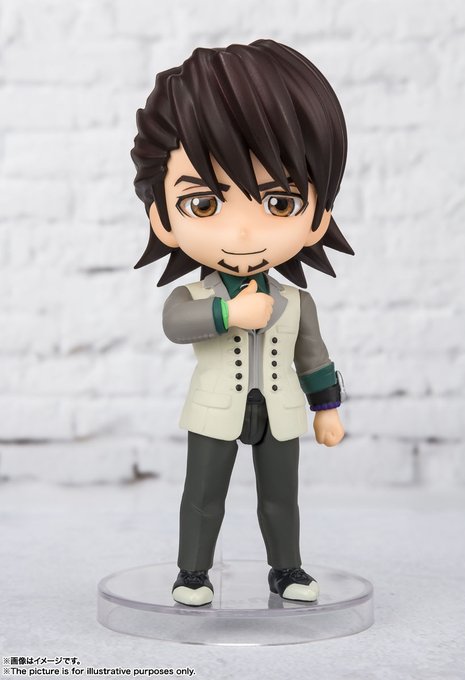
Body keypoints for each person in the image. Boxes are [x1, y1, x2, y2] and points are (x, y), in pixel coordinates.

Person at [131, 39, 353, 606]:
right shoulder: (193, 293)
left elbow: (314, 356)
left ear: (318, 218)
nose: (243, 233)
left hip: (280, 411)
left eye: (280, 203)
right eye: (204, 204)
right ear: (162, 217)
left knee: (281, 497)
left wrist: (327, 408)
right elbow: (176, 324)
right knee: (204, 496)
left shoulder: (295, 301)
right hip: (214, 410)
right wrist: (228, 313)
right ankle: (192, 572)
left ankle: (287, 569)